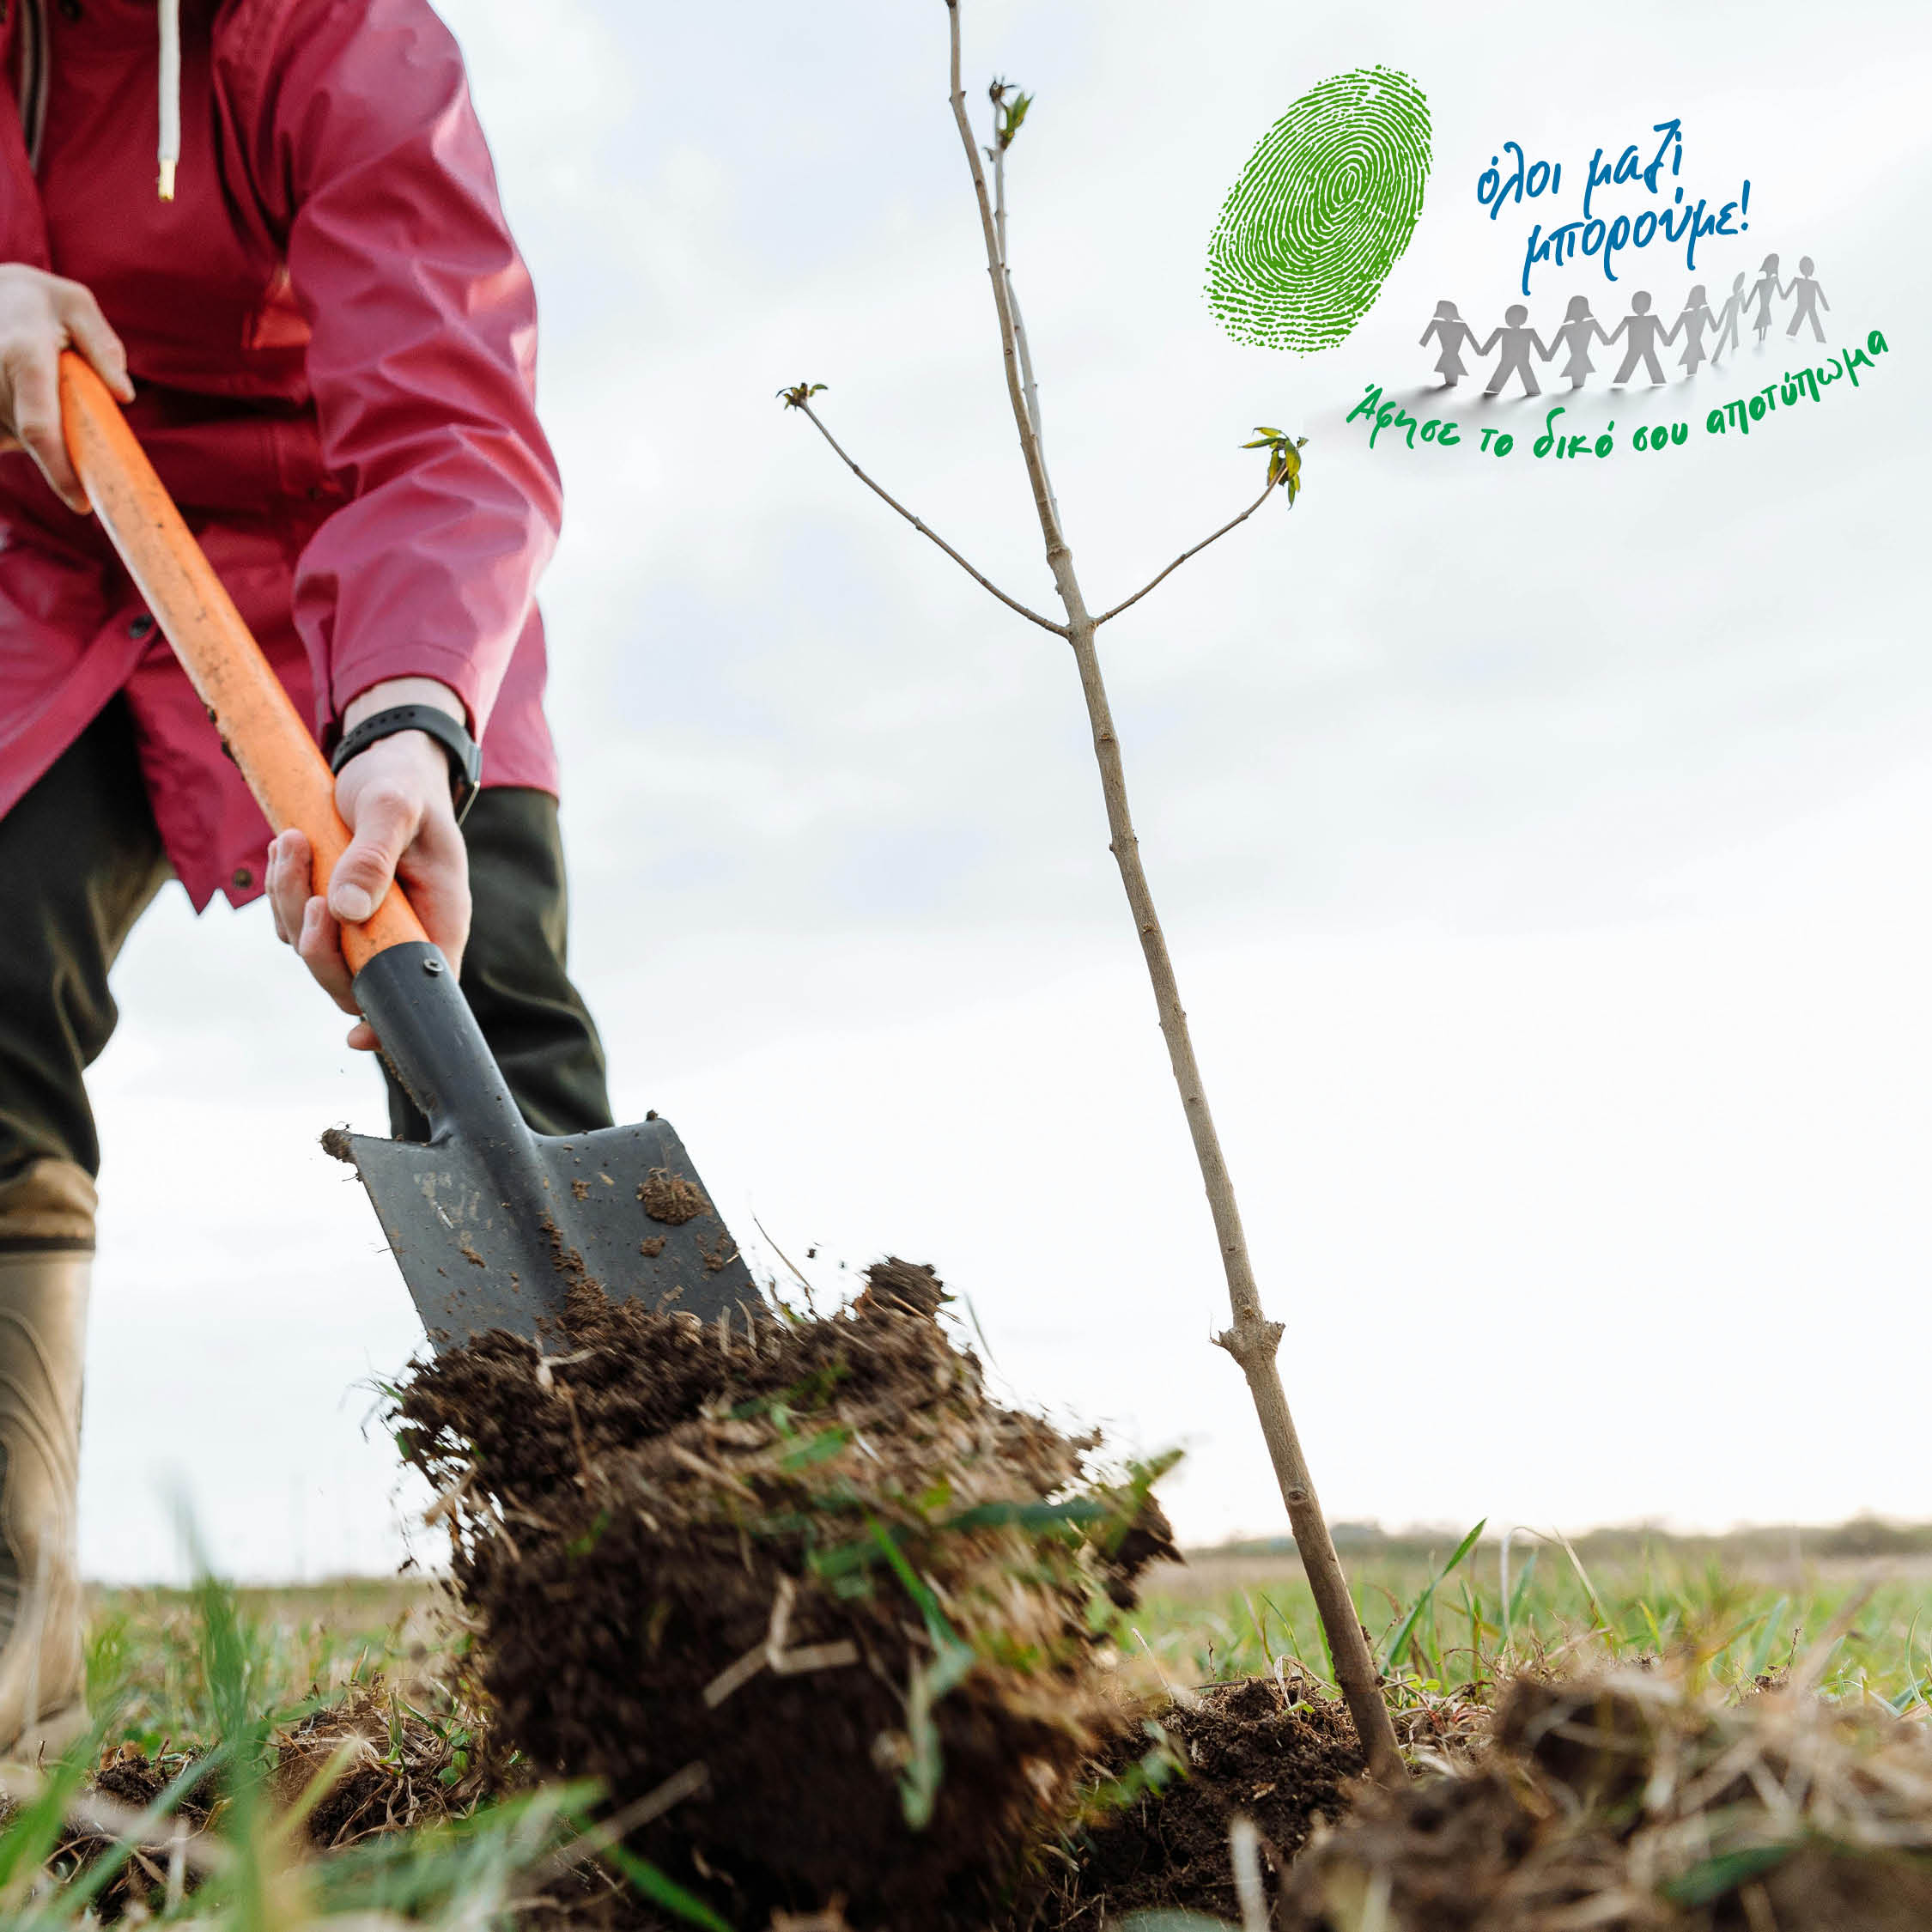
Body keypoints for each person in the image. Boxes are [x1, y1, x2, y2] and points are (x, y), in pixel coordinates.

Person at [0, 0, 612, 1757]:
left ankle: (610, 1589)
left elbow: (443, 412)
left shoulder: (338, 38)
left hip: (351, 550)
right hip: (52, 554)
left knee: (484, 1004)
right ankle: (8, 1624)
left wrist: (415, 720)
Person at [1476, 303, 1548, 398]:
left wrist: (1545, 356)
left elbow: (1539, 346)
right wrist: (1483, 351)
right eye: (1514, 317)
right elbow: (1489, 345)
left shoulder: (1529, 332)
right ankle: (1494, 389)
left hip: (1517, 361)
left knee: (1526, 377)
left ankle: (1532, 391)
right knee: (1500, 381)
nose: (1516, 319)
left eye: (1519, 317)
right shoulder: (1502, 331)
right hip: (1509, 361)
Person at [1603, 293, 1675, 385]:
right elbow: (1614, 337)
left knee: (1623, 378)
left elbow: (1665, 340)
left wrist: (1608, 341)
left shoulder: (1651, 319)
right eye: (1637, 303)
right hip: (1637, 351)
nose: (1639, 306)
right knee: (1623, 378)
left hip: (1643, 350)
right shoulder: (1630, 320)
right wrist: (1608, 340)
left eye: (1642, 303)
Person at [1546, 295, 1606, 390]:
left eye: (1581, 309)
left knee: (1578, 386)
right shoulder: (1566, 327)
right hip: (1577, 360)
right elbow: (1553, 350)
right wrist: (1546, 356)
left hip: (1580, 360)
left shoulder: (1590, 324)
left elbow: (1605, 340)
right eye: (1576, 309)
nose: (1578, 313)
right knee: (1577, 386)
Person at [1418, 300, 1479, 388]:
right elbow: (1424, 340)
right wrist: (1479, 351)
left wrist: (1480, 350)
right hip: (1448, 354)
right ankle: (1451, 382)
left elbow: (1472, 340)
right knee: (1450, 368)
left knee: (1451, 368)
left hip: (1450, 354)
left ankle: (1452, 382)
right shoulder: (1436, 323)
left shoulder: (1461, 325)